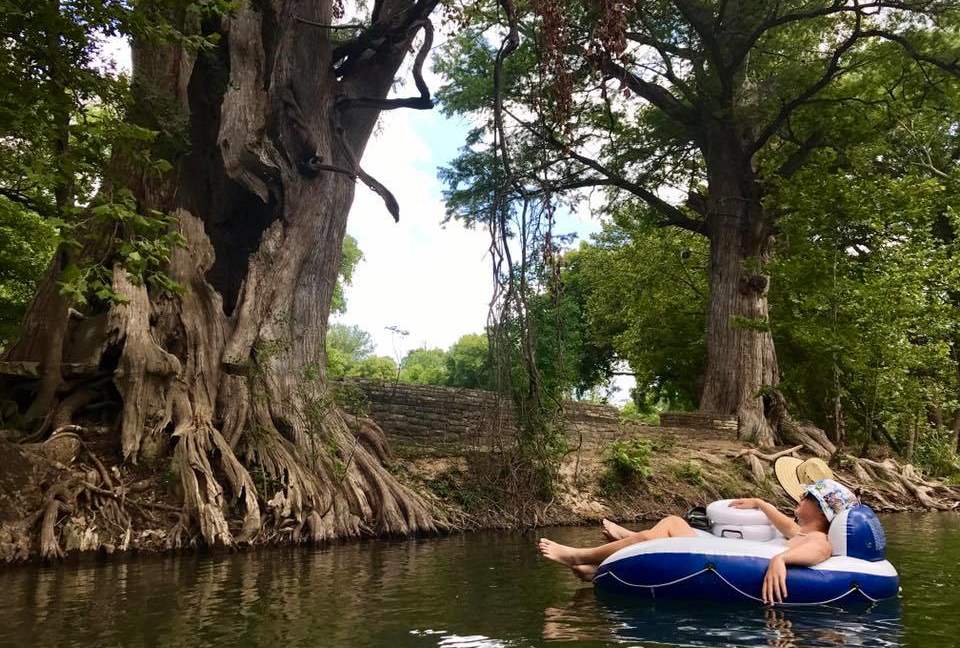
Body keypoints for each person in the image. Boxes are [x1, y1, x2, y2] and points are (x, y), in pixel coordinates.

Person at [537, 478, 858, 604]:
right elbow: (781, 519)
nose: (797, 498)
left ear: (818, 507)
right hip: (733, 550)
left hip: (739, 560)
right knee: (674, 522)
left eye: (805, 497)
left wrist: (780, 560)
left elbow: (820, 551)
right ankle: (602, 566)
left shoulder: (817, 539)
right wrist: (759, 503)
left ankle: (580, 555)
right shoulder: (798, 530)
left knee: (655, 536)